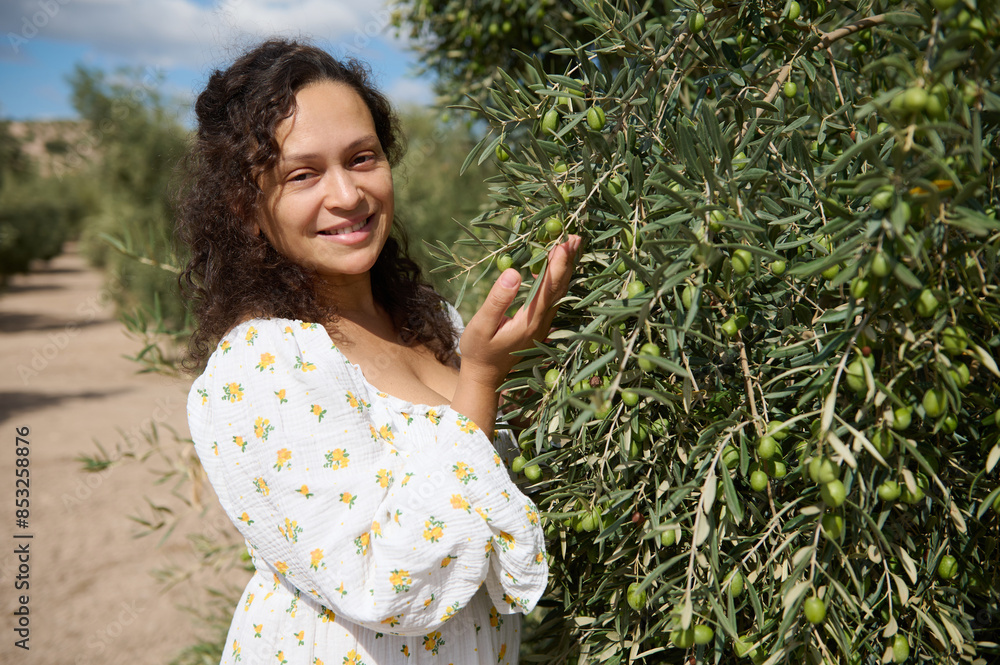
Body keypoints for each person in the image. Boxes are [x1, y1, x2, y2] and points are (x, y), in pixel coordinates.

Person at [177, 39, 579, 664]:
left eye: (362, 158)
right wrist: (481, 377)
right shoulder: (263, 362)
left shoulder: (427, 321)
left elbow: (482, 483)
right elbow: (382, 584)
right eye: (303, 174)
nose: (347, 195)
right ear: (245, 208)